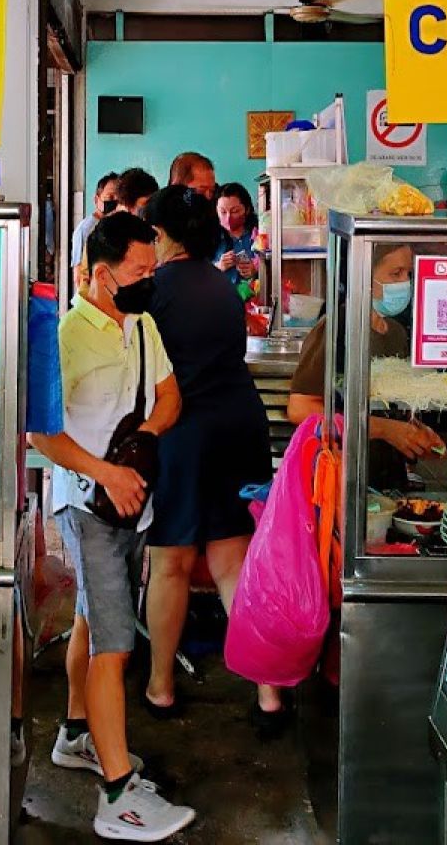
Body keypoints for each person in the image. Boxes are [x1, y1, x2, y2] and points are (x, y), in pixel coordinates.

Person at [28, 211, 195, 842]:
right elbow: (42, 434)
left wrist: (143, 439)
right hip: (88, 507)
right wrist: (106, 472)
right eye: (140, 270)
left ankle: (77, 734)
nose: (151, 279)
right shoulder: (66, 336)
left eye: (153, 268)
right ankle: (119, 797)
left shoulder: (144, 325)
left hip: (134, 504)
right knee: (116, 642)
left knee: (91, 618)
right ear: (103, 274)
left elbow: (170, 396)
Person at [141, 186, 282, 734]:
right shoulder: (222, 285)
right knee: (233, 561)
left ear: (160, 235)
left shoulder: (153, 290)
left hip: (183, 433)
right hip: (240, 425)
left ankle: (160, 687)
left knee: (171, 563)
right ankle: (269, 693)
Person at [288, 242, 441, 489]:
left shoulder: (396, 333)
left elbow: (391, 405)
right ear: (365, 277)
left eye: (408, 274)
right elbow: (300, 409)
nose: (405, 283)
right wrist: (385, 430)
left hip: (384, 478)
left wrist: (415, 435)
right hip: (341, 477)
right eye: (395, 274)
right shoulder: (336, 328)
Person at [71, 172, 119, 291]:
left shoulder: (117, 226)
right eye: (110, 197)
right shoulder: (85, 229)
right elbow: (79, 274)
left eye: (119, 198)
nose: (115, 202)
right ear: (96, 200)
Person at [214, 181, 258, 289]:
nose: (228, 218)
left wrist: (257, 270)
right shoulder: (210, 237)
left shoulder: (258, 235)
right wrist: (217, 267)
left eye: (235, 211)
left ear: (247, 209)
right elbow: (196, 273)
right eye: (223, 212)